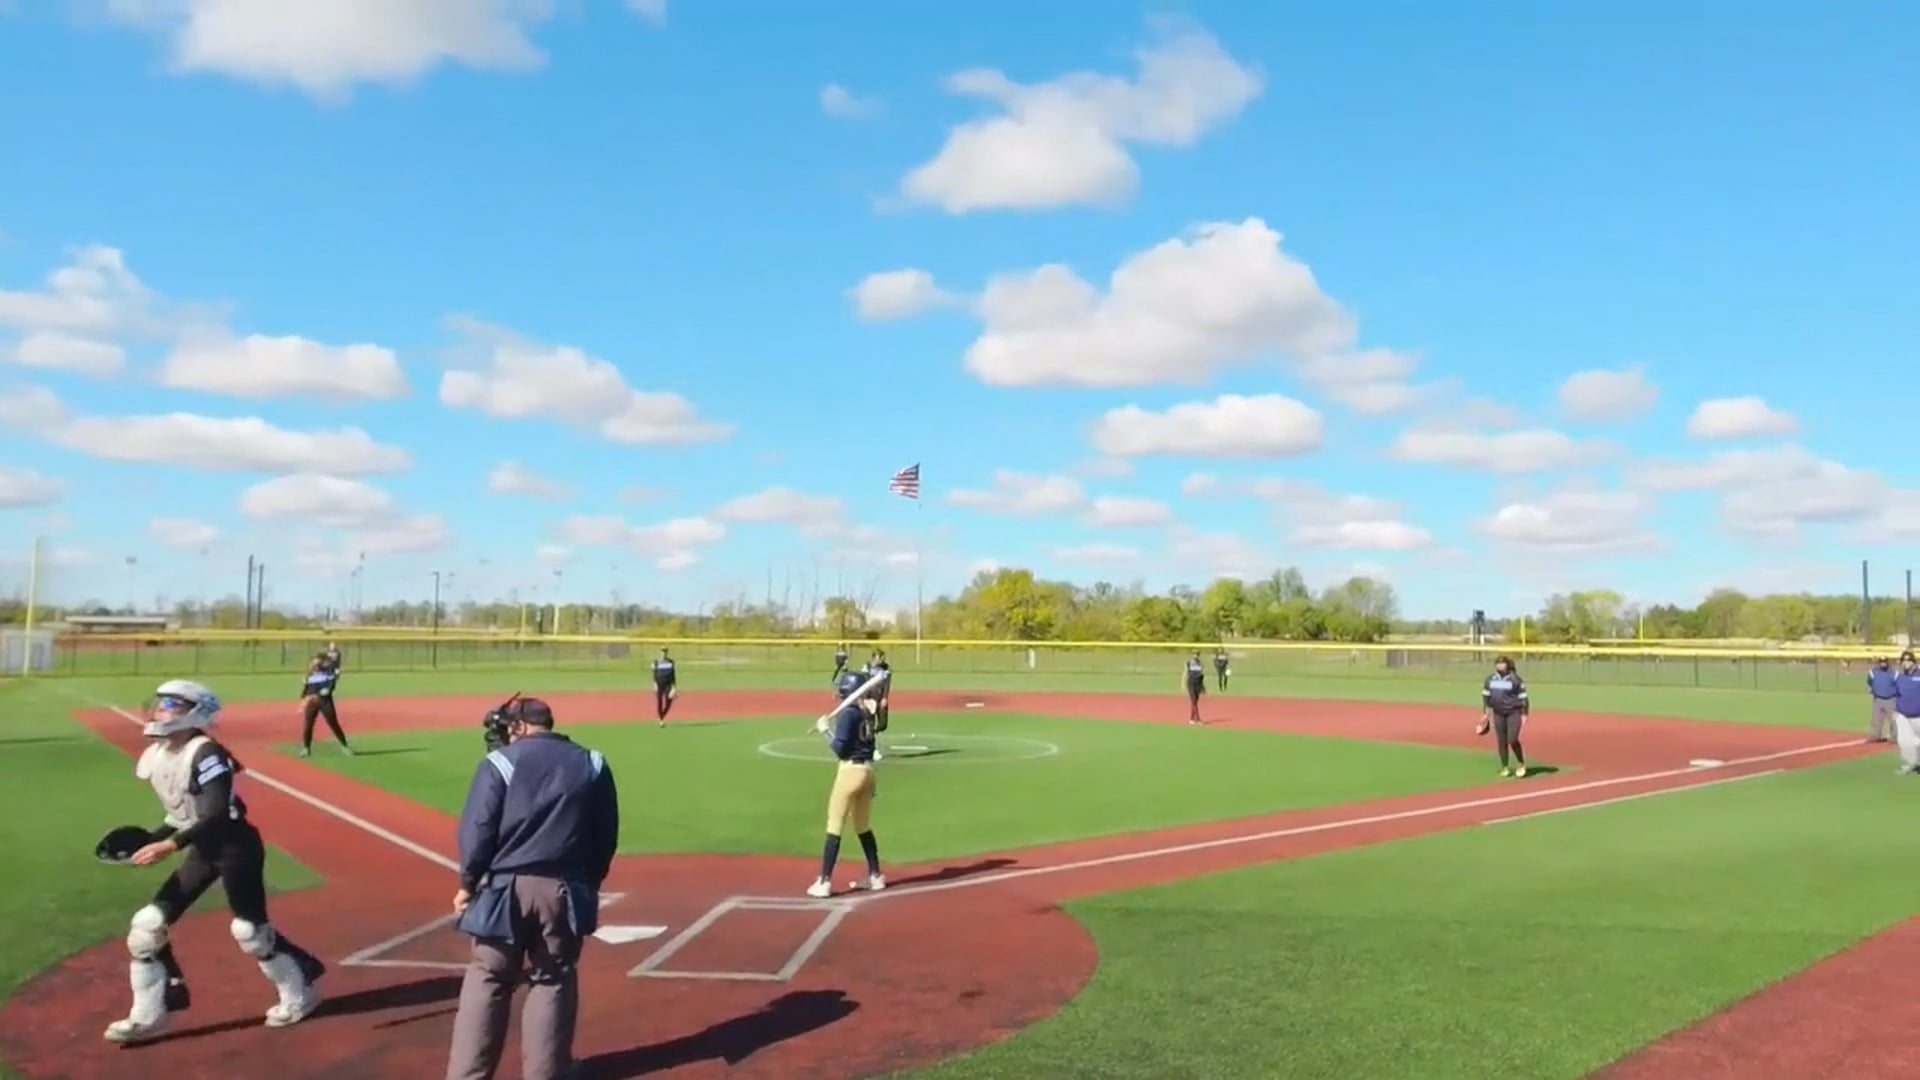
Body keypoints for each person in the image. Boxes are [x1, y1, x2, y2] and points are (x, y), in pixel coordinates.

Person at [105, 678, 326, 1044]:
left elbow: (217, 813)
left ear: (196, 713)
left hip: (236, 848)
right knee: (145, 928)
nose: (160, 711)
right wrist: (153, 838)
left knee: (250, 933)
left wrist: (171, 845)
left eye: (171, 705)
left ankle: (300, 991)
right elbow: (182, 814)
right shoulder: (160, 754)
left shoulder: (207, 754)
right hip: (203, 849)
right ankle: (149, 1015)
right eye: (160, 703)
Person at [445, 697, 620, 1080]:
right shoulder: (592, 763)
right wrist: (587, 884)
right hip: (563, 891)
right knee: (553, 979)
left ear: (520, 726)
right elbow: (605, 836)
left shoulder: (499, 763)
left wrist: (467, 884)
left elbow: (478, 832)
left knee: (488, 978)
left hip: (503, 892)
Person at [807, 677, 885, 897]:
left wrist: (825, 730)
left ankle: (824, 882)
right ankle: (876, 876)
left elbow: (840, 749)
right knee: (862, 826)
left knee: (834, 825)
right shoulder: (866, 713)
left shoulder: (848, 713)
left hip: (850, 772)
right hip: (868, 772)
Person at [1478, 655, 1530, 777]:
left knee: (1512, 739)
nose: (1500, 665)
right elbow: (1486, 697)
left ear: (1507, 665)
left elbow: (1524, 698)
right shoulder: (1490, 679)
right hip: (1498, 713)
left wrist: (1524, 713)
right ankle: (1505, 767)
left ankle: (1520, 763)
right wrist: (1485, 713)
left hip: (1513, 712)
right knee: (1502, 741)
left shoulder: (1515, 679)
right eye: (1498, 663)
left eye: (1502, 663)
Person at [298, 649, 352, 757]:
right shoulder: (309, 674)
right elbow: (306, 689)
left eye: (318, 661)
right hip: (312, 701)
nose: (315, 664)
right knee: (308, 724)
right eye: (314, 661)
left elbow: (332, 684)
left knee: (333, 722)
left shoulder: (328, 671)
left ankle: (344, 746)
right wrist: (304, 696)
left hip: (324, 701)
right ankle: (306, 748)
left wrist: (328, 690)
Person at [1889, 651, 1920, 775]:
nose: (1906, 663)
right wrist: (1895, 711)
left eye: (1909, 660)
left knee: (1917, 741)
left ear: (1914, 662)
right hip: (1903, 715)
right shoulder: (1899, 677)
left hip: (1918, 715)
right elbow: (1896, 694)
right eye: (1904, 660)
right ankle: (1910, 764)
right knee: (1904, 741)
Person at [1866, 656, 1898, 743]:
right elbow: (1869, 682)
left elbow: (1897, 684)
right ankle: (1876, 735)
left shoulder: (1893, 673)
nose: (1883, 663)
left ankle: (1894, 737)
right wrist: (1874, 689)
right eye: (1881, 662)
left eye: (1884, 662)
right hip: (1877, 699)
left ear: (1887, 663)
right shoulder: (1873, 672)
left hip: (1890, 699)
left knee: (1893, 720)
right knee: (1876, 719)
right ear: (1879, 663)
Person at [651, 647, 677, 726]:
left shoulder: (671, 662)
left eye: (665, 652)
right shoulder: (656, 662)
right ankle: (661, 719)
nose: (663, 653)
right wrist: (654, 683)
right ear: (660, 653)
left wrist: (674, 687)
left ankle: (661, 716)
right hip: (659, 684)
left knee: (669, 701)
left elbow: (673, 675)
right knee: (660, 702)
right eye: (662, 652)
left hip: (668, 684)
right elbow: (654, 674)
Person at [1183, 651, 1207, 725]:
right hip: (1191, 683)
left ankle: (1191, 719)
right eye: (1194, 654)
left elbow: (1202, 676)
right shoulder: (1189, 663)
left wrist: (1203, 687)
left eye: (1197, 654)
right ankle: (1198, 719)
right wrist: (1183, 685)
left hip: (1198, 684)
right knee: (1193, 701)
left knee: (1195, 702)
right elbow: (1185, 674)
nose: (1195, 656)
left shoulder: (1200, 664)